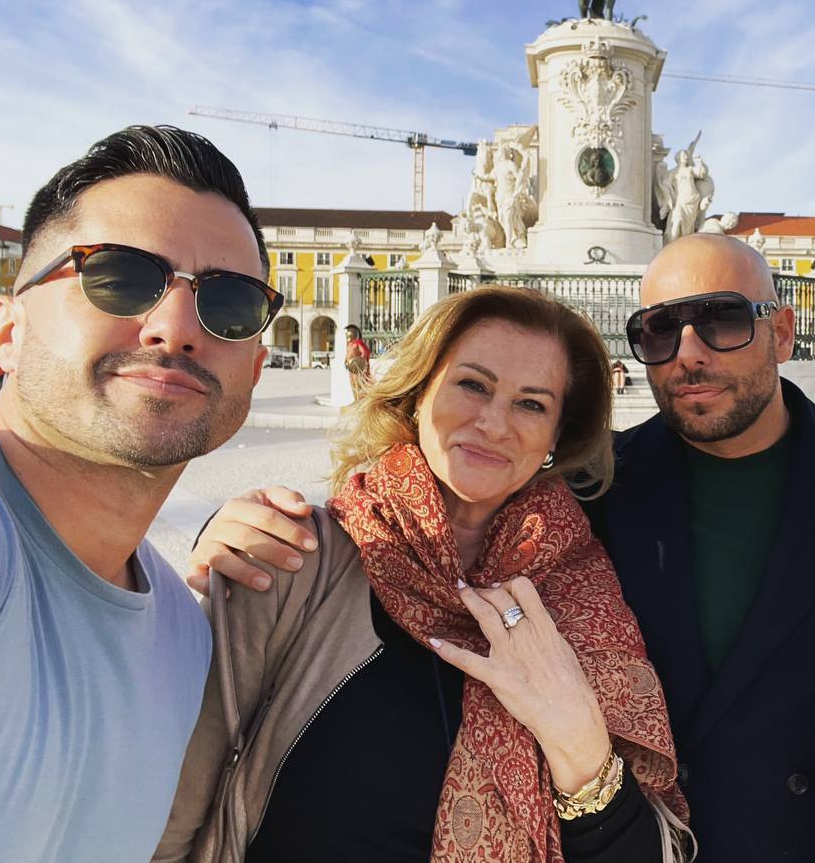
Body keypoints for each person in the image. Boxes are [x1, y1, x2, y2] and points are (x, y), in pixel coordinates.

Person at [189, 236, 815, 862]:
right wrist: (226, 534)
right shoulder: (591, 494)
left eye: (722, 320)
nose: (689, 353)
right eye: (658, 330)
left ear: (782, 331)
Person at [157, 286, 689, 862]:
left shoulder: (583, 592)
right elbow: (168, 810)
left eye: (531, 403)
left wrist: (578, 741)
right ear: (416, 395)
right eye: (472, 385)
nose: (493, 422)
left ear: (556, 439)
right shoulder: (291, 556)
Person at [0, 126, 281, 861]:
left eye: (228, 304)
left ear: (257, 368)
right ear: (6, 332)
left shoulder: (185, 633)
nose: (174, 329)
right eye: (119, 278)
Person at [344, 322, 371, 397]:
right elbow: (348, 354)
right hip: (351, 366)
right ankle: (355, 398)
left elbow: (365, 353)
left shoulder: (358, 343)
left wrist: (360, 362)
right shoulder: (350, 344)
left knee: (358, 383)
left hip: (357, 367)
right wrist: (345, 361)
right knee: (352, 383)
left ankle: (360, 398)